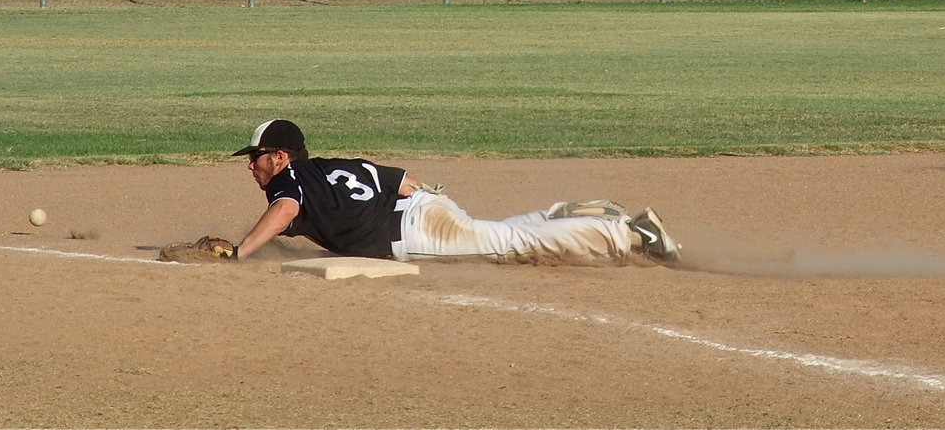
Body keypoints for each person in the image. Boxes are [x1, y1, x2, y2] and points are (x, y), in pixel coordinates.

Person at [227, 119, 682, 266]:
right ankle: (565, 213)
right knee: (495, 233)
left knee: (509, 246)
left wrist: (241, 253)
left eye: (258, 156)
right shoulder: (333, 167)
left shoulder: (290, 181)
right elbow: (405, 181)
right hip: (423, 206)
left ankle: (632, 234)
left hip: (415, 235)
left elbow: (284, 210)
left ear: (282, 156)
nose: (252, 165)